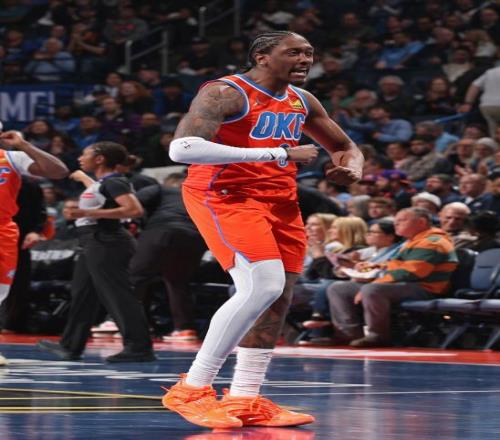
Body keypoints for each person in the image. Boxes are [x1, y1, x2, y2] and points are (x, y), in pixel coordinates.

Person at [162, 31, 363, 429]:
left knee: (277, 296)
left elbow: (345, 146)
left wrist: (351, 168)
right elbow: (181, 149)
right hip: (225, 195)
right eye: (294, 52)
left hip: (281, 200)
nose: (305, 59)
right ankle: (192, 388)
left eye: (309, 52)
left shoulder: (302, 100)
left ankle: (245, 397)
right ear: (262, 57)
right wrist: (278, 152)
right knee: (262, 285)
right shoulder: (226, 92)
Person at [37, 142, 155, 363]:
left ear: (100, 159)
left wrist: (86, 212)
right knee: (82, 295)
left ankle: (139, 347)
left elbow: (133, 209)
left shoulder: (115, 181)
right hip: (93, 242)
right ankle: (70, 346)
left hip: (106, 241)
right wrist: (83, 178)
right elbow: (101, 194)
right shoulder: (103, 183)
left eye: (85, 154)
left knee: (118, 295)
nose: (80, 158)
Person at [326, 207, 457, 348]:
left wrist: (375, 282)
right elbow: (397, 265)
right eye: (396, 220)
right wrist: (374, 266)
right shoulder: (413, 240)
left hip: (425, 288)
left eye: (402, 220)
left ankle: (377, 336)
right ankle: (348, 334)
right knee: (339, 288)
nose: (396, 223)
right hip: (402, 285)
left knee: (372, 289)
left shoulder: (432, 242)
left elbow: (411, 273)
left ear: (421, 222)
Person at [0, 129, 69, 365]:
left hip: (3, 229)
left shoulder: (11, 158)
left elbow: (59, 171)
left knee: (1, 291)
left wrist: (24, 145)